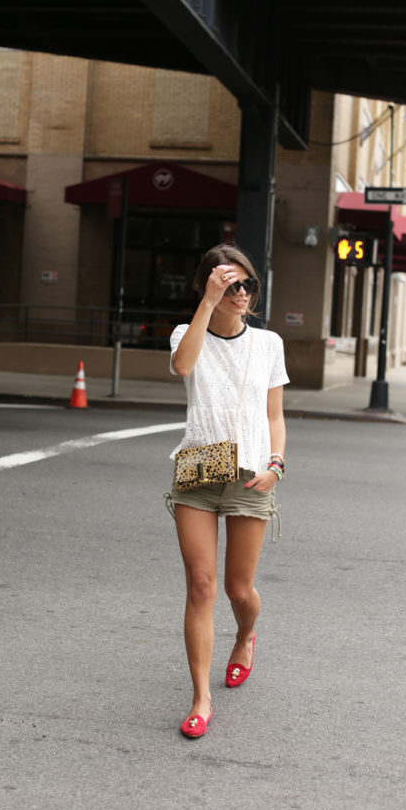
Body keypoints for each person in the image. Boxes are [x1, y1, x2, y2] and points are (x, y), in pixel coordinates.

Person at [166, 243, 289, 739]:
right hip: (199, 465)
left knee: (239, 589)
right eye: (229, 284)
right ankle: (201, 698)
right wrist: (207, 302)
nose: (241, 293)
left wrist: (276, 464)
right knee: (201, 585)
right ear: (208, 285)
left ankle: (245, 635)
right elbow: (183, 366)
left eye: (247, 284)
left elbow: (274, 416)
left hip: (250, 468)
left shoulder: (269, 344)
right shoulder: (186, 333)